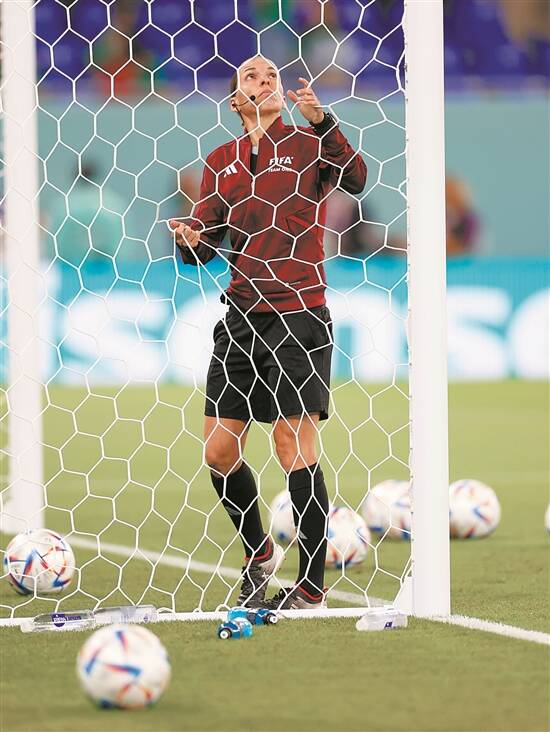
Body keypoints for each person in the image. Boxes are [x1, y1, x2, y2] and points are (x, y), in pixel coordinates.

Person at [169, 55, 367, 610]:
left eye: (272, 75)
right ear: (236, 100)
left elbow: (356, 179)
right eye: (252, 76)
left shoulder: (308, 144)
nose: (266, 79)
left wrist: (323, 120)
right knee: (218, 451)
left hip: (299, 312)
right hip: (241, 317)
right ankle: (258, 552)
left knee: (290, 443)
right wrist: (189, 239)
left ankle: (311, 587)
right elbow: (205, 246)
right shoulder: (221, 161)